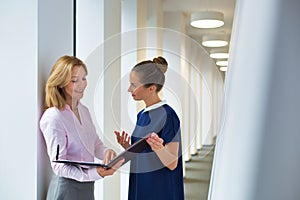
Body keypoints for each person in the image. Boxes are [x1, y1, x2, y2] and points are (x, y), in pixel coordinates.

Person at [40, 55, 123, 200]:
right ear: (60, 83)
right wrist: (95, 173)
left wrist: (107, 153)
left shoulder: (84, 111)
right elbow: (58, 165)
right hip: (66, 189)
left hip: (87, 187)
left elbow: (95, 144)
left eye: (84, 78)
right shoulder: (53, 116)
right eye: (74, 80)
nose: (82, 84)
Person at [115, 56, 185, 200]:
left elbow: (172, 163)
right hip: (141, 183)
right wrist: (128, 147)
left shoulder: (168, 116)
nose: (129, 89)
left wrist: (159, 148)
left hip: (159, 188)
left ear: (151, 88)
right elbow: (144, 153)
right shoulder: (142, 115)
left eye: (134, 85)